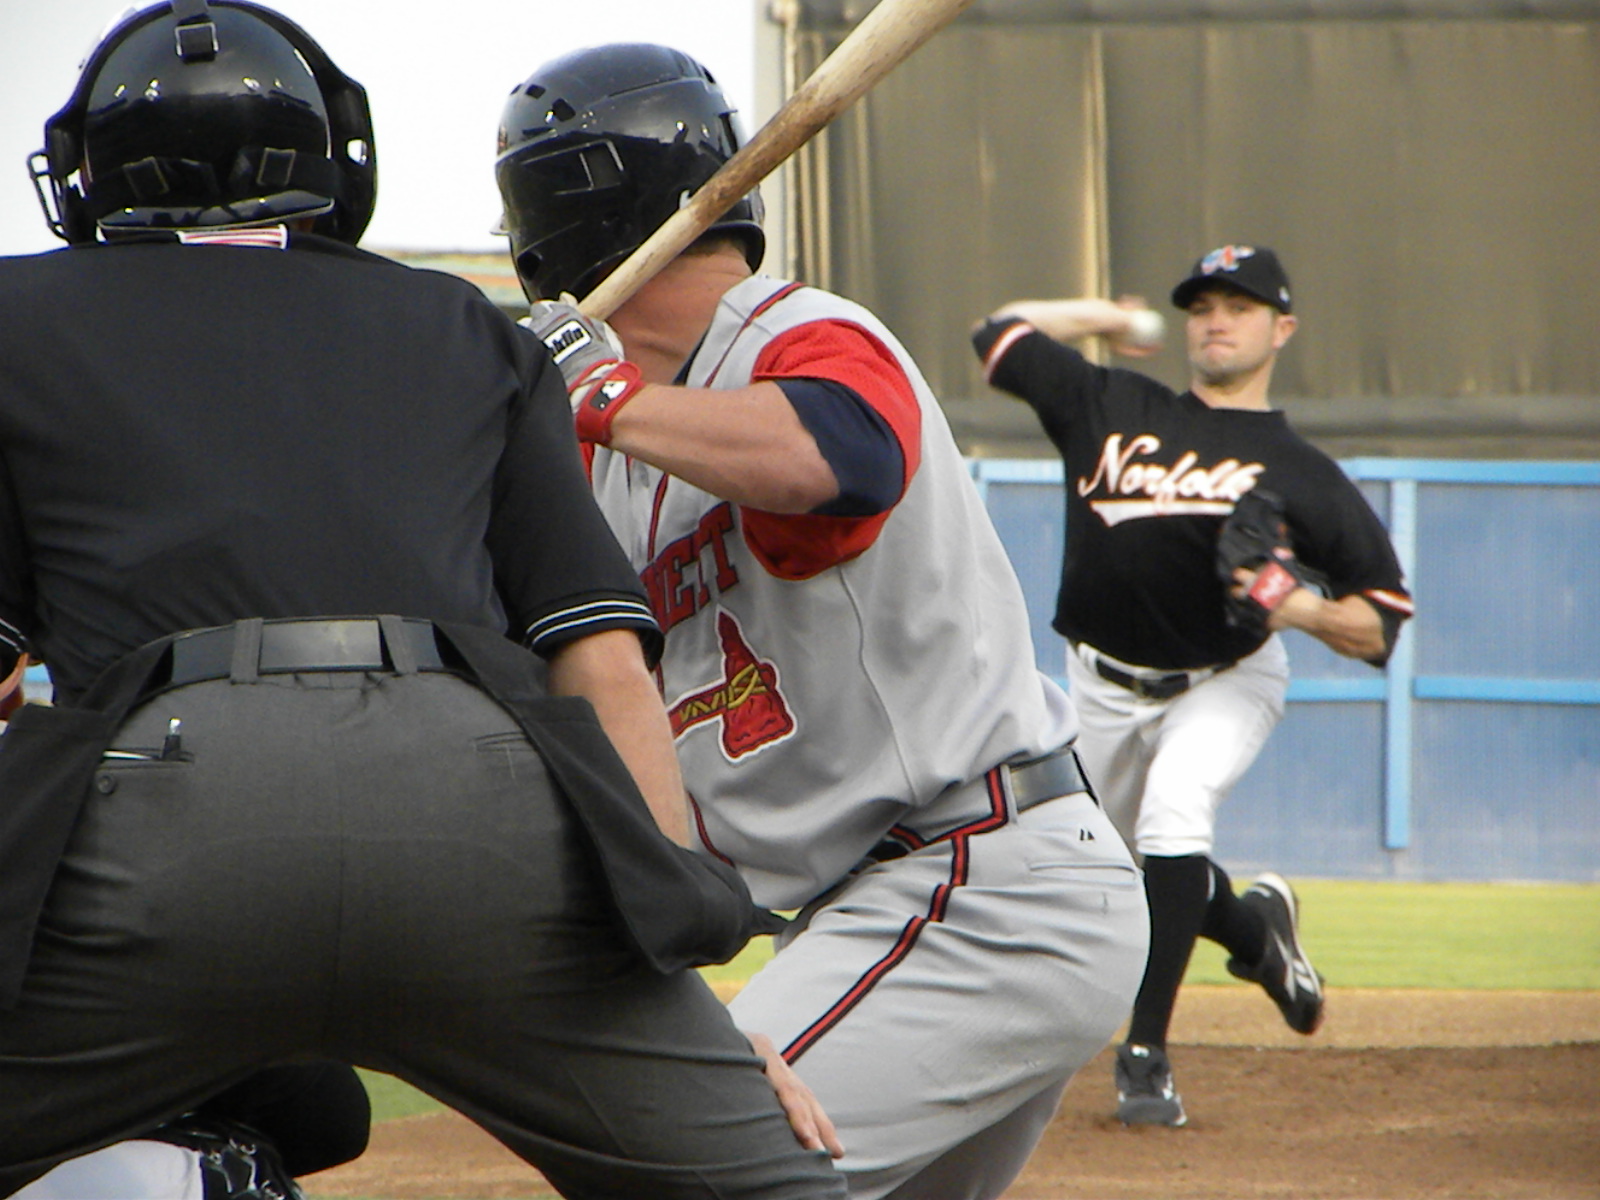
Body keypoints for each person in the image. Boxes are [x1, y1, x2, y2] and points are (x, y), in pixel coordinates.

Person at [0, 5, 847, 1198]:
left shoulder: (18, 316)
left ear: (91, 173)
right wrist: (678, 1000)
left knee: (270, 1104)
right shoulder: (463, 325)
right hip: (483, 813)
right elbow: (601, 662)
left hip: (166, 815)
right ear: (332, 162)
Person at [496, 43, 1151, 1200]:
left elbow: (840, 460)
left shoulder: (791, 332)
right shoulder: (611, 456)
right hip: (891, 905)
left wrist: (602, 396)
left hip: (975, 882)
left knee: (692, 1170)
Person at [971, 244, 1416, 1127]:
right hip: (1097, 686)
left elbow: (1381, 621)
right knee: (1113, 871)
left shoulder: (1300, 471)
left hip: (1224, 679)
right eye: (1202, 306)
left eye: (1240, 307)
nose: (1216, 321)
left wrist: (1298, 607)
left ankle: (1145, 1055)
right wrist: (1105, 319)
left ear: (1282, 329)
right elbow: (998, 335)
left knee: (1176, 812)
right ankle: (1258, 934)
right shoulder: (1110, 402)